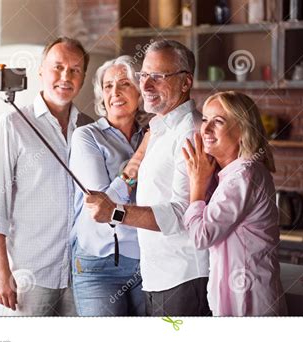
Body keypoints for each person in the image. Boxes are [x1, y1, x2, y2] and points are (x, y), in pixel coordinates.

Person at [84, 40, 210, 316]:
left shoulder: (191, 133)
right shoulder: (158, 129)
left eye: (158, 77)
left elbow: (181, 214)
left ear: (185, 82)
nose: (147, 85)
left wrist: (115, 212)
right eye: (143, 76)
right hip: (157, 276)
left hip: (184, 276)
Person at [0, 37, 92, 316]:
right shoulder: (12, 126)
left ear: (84, 78)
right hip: (33, 275)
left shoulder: (89, 129)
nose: (66, 76)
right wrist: (0, 271)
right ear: (40, 71)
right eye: (58, 67)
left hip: (82, 274)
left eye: (75, 70)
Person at [182, 91, 287, 316]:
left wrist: (197, 185)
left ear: (243, 131)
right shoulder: (232, 175)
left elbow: (201, 236)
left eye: (218, 122)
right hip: (238, 297)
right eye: (205, 120)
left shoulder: (244, 175)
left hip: (249, 301)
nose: (206, 129)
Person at [70, 55, 150, 316]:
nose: (115, 92)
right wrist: (141, 154)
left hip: (146, 260)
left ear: (139, 90)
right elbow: (102, 206)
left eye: (124, 84)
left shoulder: (151, 133)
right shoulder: (88, 136)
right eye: (107, 86)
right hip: (98, 266)